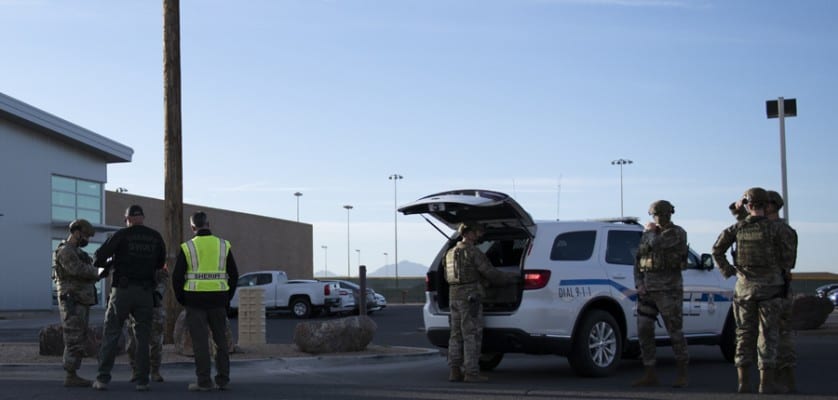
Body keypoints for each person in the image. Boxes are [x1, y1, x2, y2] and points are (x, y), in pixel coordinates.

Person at [712, 188, 795, 394]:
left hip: (744, 289)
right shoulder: (780, 229)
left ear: (749, 205)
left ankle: (743, 382)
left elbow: (717, 249)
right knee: (767, 335)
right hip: (771, 290)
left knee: (743, 334)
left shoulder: (738, 228)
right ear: (767, 205)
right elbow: (789, 260)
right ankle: (766, 383)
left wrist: (729, 271)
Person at [92, 205, 166, 391]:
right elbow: (159, 265)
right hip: (145, 293)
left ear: (128, 219)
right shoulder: (156, 237)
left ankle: (102, 378)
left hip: (122, 291)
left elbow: (98, 257)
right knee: (143, 337)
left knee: (111, 333)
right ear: (142, 217)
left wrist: (110, 263)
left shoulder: (121, 235)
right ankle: (142, 380)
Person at [172, 211, 239, 391]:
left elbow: (177, 278)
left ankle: (204, 382)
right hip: (218, 300)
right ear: (208, 224)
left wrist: (182, 299)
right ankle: (223, 380)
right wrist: (227, 297)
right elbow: (234, 275)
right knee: (221, 341)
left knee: (200, 343)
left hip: (194, 302)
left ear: (192, 227)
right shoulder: (223, 245)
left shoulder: (188, 247)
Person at [444, 222, 517, 383]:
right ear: (468, 233)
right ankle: (471, 372)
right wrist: (512, 278)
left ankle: (454, 371)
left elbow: (446, 276)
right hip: (471, 298)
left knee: (455, 335)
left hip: (453, 296)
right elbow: (491, 274)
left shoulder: (449, 253)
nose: (479, 236)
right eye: (477, 232)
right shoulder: (473, 252)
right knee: (471, 335)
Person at [631, 200, 689, 388]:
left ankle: (682, 374)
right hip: (648, 290)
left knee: (675, 332)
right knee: (644, 330)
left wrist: (649, 232)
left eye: (660, 214)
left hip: (668, 290)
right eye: (655, 215)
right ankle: (650, 373)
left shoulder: (676, 233)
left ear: (668, 214)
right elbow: (639, 259)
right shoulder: (649, 234)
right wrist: (639, 283)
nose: (657, 218)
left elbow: (657, 244)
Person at [52, 219, 100, 387]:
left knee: (79, 336)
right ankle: (70, 375)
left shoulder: (78, 252)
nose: (87, 239)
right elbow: (78, 270)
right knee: (73, 336)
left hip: (81, 300)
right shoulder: (65, 251)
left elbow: (89, 268)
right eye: (85, 235)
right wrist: (99, 271)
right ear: (76, 232)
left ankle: (73, 373)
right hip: (72, 301)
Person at [765, 190, 799, 392]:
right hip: (772, 285)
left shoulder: (781, 230)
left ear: (772, 205)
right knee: (772, 333)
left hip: (778, 286)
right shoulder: (766, 228)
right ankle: (781, 377)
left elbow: (788, 261)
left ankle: (785, 376)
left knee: (780, 333)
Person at [126, 264, 169, 383]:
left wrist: (157, 294)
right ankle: (136, 371)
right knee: (133, 341)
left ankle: (155, 371)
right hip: (134, 304)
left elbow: (164, 278)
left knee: (156, 340)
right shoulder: (130, 255)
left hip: (153, 303)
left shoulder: (156, 256)